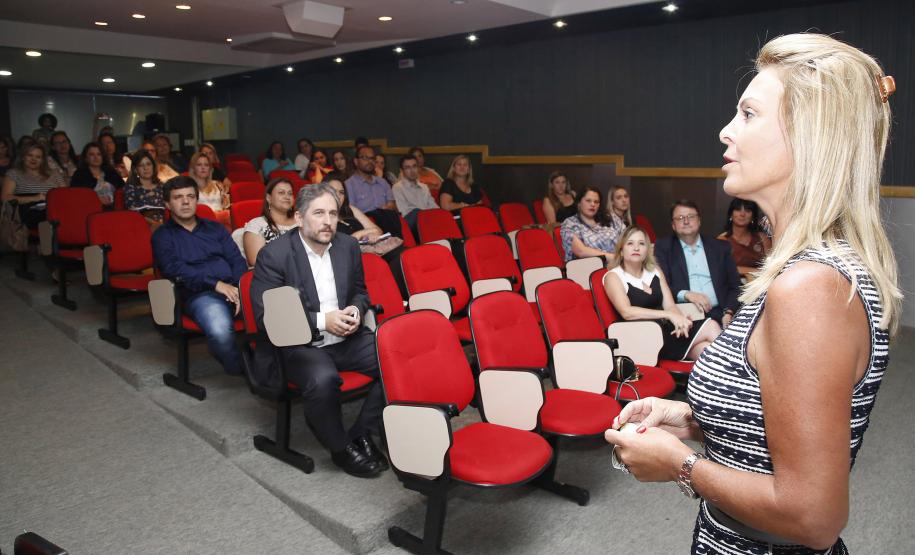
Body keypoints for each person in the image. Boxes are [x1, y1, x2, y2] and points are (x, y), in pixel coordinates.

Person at [604, 33, 901, 555]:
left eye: (748, 114)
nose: (725, 131)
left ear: (809, 137)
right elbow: (770, 426)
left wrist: (680, 465)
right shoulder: (807, 271)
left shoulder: (810, 287)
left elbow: (813, 517)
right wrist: (686, 419)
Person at [250, 182, 387, 478]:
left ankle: (362, 432)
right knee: (323, 379)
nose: (328, 222)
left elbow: (360, 292)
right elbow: (266, 318)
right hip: (299, 344)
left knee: (395, 359)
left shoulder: (347, 246)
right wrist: (323, 321)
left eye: (333, 213)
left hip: (346, 338)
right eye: (319, 213)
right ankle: (340, 448)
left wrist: (354, 311)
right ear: (299, 218)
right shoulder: (274, 255)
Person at [152, 176, 246, 376]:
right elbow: (174, 269)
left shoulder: (215, 229)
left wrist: (241, 288)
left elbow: (236, 260)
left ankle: (278, 367)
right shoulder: (162, 236)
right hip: (198, 294)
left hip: (233, 287)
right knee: (220, 330)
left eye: (190, 196)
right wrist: (216, 284)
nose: (186, 202)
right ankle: (245, 372)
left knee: (276, 314)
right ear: (168, 204)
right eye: (178, 197)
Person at [603, 226, 720, 361]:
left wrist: (680, 322)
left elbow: (670, 305)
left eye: (641, 243)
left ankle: (728, 378)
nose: (636, 248)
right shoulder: (613, 276)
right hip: (642, 338)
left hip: (666, 331)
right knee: (712, 326)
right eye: (630, 243)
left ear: (647, 250)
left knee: (707, 350)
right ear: (621, 251)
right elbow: (627, 312)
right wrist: (669, 315)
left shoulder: (655, 271)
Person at [654, 199, 741, 326]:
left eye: (691, 216)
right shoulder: (664, 247)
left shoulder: (720, 247)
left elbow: (736, 286)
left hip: (721, 312)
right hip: (686, 314)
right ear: (673, 225)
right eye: (680, 218)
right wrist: (686, 294)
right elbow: (661, 286)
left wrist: (729, 312)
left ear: (699, 220)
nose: (686, 221)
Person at [2, 144, 65, 228]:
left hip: (54, 207)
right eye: (30, 155)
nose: (33, 159)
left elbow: (65, 195)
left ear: (42, 160)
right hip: (28, 210)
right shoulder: (14, 173)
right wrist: (35, 198)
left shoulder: (54, 173)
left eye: (38, 157)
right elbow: (5, 197)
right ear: (23, 157)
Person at [344, 145, 401, 238]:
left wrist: (387, 207)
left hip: (388, 223)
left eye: (372, 158)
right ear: (356, 161)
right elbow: (351, 212)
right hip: (365, 229)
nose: (369, 161)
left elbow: (392, 204)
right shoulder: (349, 185)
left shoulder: (382, 182)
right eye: (365, 158)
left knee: (386, 215)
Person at [242, 177, 297, 267]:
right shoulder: (257, 225)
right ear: (269, 198)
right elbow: (256, 262)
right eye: (281, 193)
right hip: (274, 278)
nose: (287, 197)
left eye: (290, 193)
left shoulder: (302, 223)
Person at [559, 185, 620, 263]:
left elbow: (627, 237)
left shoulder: (610, 218)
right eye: (588, 200)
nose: (593, 204)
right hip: (587, 269)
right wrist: (614, 258)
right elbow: (580, 251)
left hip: (618, 265)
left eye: (596, 202)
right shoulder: (570, 223)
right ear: (579, 203)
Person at [717, 197, 771, 278]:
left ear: (753, 216)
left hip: (760, 285)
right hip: (734, 286)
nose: (742, 214)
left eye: (747, 211)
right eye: (738, 210)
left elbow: (772, 266)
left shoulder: (762, 238)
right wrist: (756, 271)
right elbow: (723, 268)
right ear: (731, 214)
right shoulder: (722, 240)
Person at [392, 154, 438, 233]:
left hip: (427, 221)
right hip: (410, 225)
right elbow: (404, 213)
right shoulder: (397, 188)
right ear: (402, 171)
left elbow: (434, 207)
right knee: (416, 212)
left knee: (442, 215)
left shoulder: (424, 187)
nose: (412, 170)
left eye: (414, 166)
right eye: (407, 168)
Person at [123, 151, 165, 228]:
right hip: (140, 226)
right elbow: (133, 214)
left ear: (153, 166)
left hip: (164, 224)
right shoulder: (130, 188)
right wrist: (155, 224)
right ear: (135, 170)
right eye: (141, 165)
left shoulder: (162, 186)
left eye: (148, 164)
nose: (146, 168)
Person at [188, 151, 230, 226]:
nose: (203, 167)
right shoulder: (187, 188)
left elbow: (226, 209)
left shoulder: (218, 185)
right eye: (199, 165)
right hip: (199, 225)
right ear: (193, 168)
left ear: (210, 168)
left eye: (206, 165)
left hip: (220, 224)